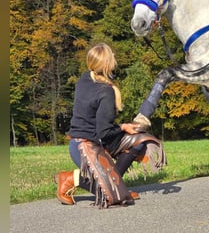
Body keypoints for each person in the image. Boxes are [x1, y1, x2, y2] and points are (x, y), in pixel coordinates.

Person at [54, 43, 153, 207]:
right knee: (109, 196)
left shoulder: (84, 79)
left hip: (79, 143)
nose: (114, 55)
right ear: (107, 64)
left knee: (136, 142)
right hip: (86, 150)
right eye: (112, 55)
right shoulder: (105, 91)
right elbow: (104, 132)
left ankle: (117, 186)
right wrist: (122, 127)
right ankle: (71, 178)